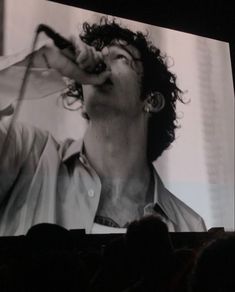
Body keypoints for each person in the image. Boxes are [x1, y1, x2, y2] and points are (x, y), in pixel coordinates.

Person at [0, 17, 206, 235]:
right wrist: (46, 63)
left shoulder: (190, 226)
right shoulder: (27, 152)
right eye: (100, 53)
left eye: (120, 57)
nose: (102, 61)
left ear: (151, 101)